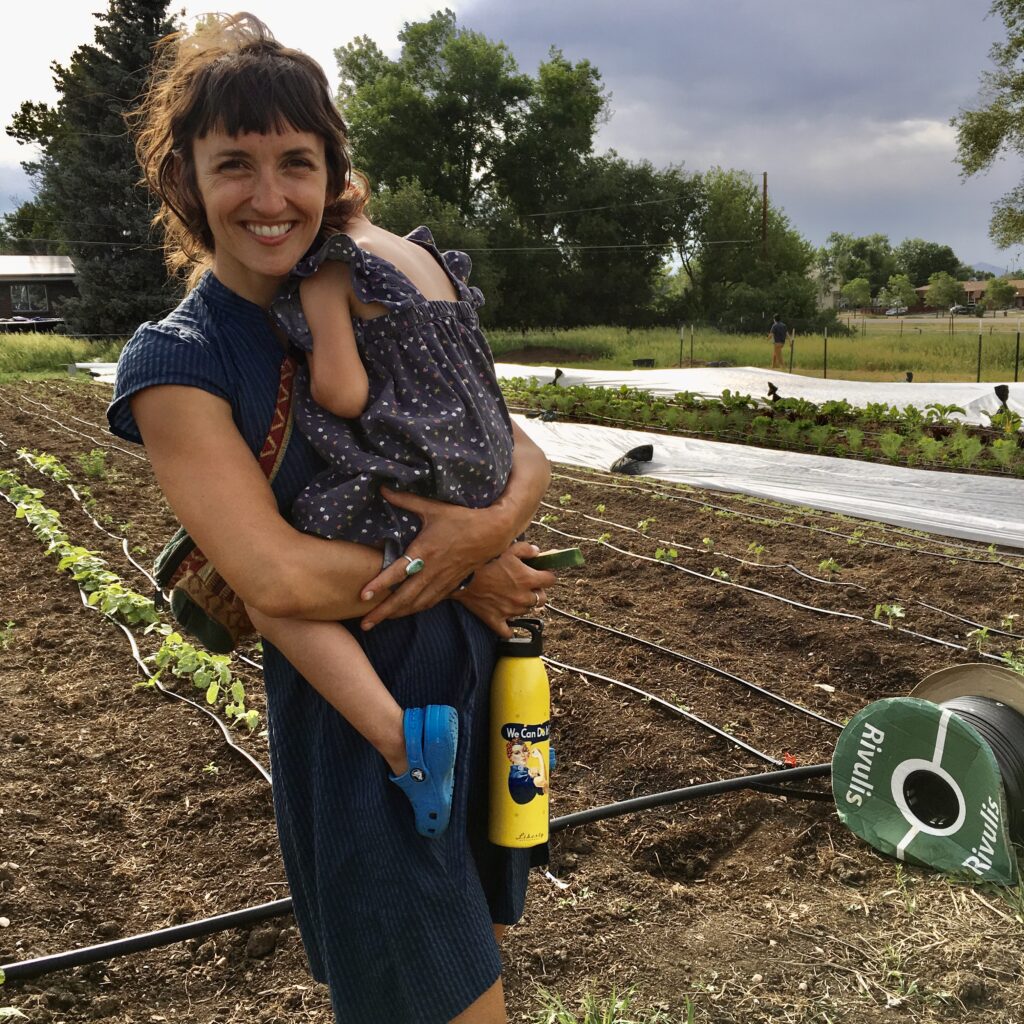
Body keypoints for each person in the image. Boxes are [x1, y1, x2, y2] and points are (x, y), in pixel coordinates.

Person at [109, 13, 555, 1023]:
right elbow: (271, 581)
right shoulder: (180, 361)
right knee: (435, 995)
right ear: (186, 178)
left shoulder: (362, 285)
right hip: (375, 730)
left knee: (461, 965)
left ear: (330, 169)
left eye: (296, 163)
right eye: (235, 166)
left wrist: (484, 534)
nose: (271, 198)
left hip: (470, 681)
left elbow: (515, 447)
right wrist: (457, 553)